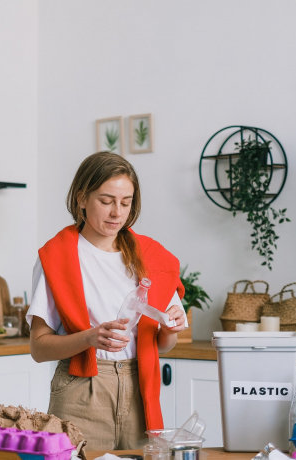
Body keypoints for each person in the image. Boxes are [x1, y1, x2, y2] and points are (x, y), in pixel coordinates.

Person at [26, 151, 187, 451]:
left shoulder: (151, 258)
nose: (117, 213)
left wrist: (170, 328)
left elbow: (162, 345)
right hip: (80, 389)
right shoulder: (57, 257)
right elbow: (38, 348)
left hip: (140, 388)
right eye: (106, 200)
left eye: (125, 203)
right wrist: (89, 337)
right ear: (82, 198)